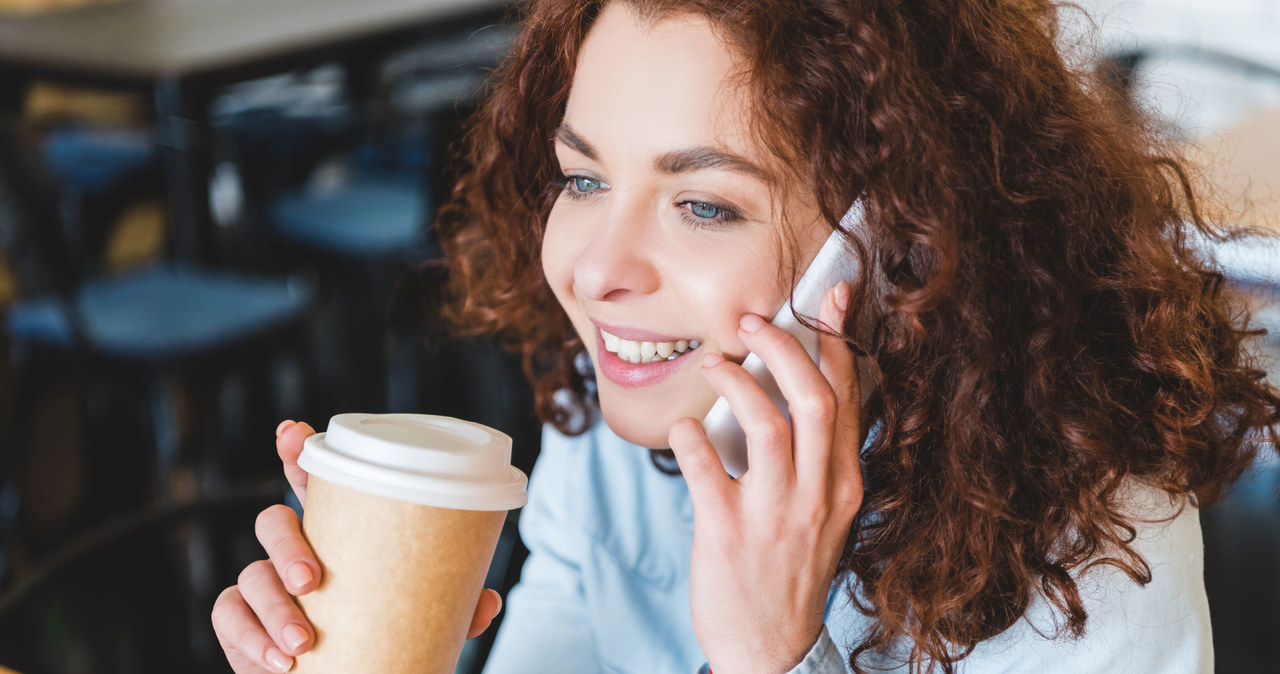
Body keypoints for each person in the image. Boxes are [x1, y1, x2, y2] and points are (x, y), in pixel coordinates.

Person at [211, 1, 1280, 672]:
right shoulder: (627, 411)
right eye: (583, 177)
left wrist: (769, 653)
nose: (593, 269)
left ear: (892, 245)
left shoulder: (1091, 553)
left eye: (702, 205)